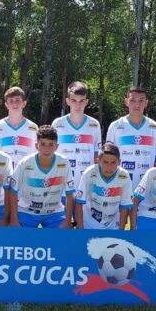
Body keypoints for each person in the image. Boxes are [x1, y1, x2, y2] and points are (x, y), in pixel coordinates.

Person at [52, 81, 102, 225]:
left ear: (86, 102)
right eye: (74, 101)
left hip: (85, 186)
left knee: (83, 227)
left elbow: (97, 157)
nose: (78, 105)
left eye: (81, 101)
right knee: (62, 227)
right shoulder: (58, 124)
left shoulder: (94, 125)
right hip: (61, 187)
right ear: (68, 101)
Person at [7, 125, 75, 228]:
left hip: (54, 212)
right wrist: (14, 220)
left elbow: (70, 194)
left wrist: (68, 221)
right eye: (43, 144)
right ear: (36, 145)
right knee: (16, 234)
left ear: (56, 146)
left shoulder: (64, 163)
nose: (46, 149)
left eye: (51, 144)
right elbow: (13, 191)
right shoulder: (24, 163)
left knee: (64, 234)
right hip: (27, 211)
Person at [106, 86, 156, 191]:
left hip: (147, 187)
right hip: (120, 185)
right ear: (126, 102)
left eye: (141, 100)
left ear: (146, 102)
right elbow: (108, 159)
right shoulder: (115, 126)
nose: (137, 105)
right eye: (132, 100)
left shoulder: (154, 127)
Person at [74, 142, 133, 230]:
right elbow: (79, 202)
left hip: (113, 226)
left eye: (113, 162)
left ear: (119, 162)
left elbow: (125, 206)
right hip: (89, 225)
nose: (109, 167)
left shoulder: (124, 176)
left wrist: (121, 231)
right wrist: (81, 229)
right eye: (105, 162)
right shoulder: (89, 173)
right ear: (98, 161)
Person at [0, 86, 38, 164]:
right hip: (3, 171)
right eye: (11, 101)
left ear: (24, 103)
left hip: (26, 171)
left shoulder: (33, 128)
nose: (14, 103)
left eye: (17, 100)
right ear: (6, 105)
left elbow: (36, 154)